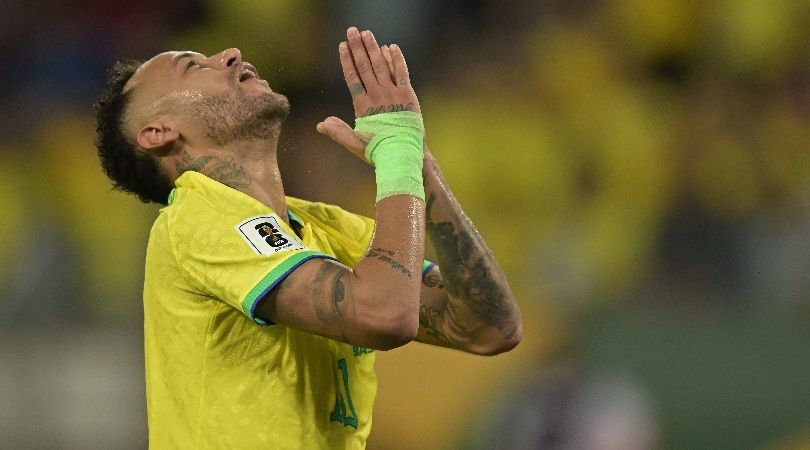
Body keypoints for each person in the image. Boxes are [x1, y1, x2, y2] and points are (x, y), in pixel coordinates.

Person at [93, 26, 522, 449]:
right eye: (193, 67)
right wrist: (395, 160)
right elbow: (385, 314)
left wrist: (416, 164)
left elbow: (490, 329)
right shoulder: (194, 216)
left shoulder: (327, 229)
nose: (228, 53)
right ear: (158, 132)